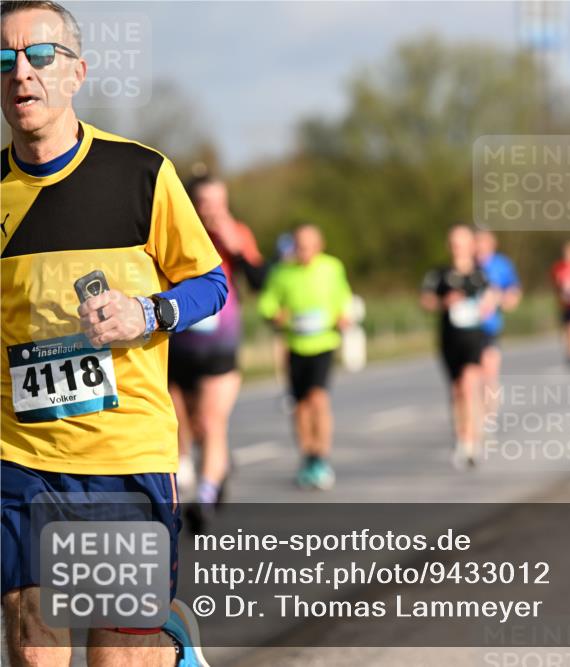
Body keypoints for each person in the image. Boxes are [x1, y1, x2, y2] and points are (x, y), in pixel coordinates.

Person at [1, 2, 224, 664]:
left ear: (77, 73)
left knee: (116, 653)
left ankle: (166, 634)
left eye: (41, 56)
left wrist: (148, 312)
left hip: (122, 455)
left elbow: (211, 283)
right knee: (34, 647)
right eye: (4, 59)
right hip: (19, 455)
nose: (21, 73)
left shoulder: (140, 173)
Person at [169, 176, 266, 533]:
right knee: (183, 423)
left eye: (218, 202)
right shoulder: (175, 230)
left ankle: (205, 499)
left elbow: (260, 280)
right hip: (179, 342)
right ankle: (216, 468)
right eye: (204, 202)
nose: (211, 209)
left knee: (211, 422)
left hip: (220, 342)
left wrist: (236, 247)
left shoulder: (237, 233)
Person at [258, 224, 353, 490]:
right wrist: (275, 314)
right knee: (300, 406)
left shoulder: (332, 267)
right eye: (299, 245)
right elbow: (267, 302)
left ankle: (321, 457)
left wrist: (343, 315)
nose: (304, 251)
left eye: (309, 245)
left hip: (323, 342)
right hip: (295, 344)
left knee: (318, 398)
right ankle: (307, 457)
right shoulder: (282, 272)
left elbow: (343, 298)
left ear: (319, 245)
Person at [421, 225, 496, 469]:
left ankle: (471, 440)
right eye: (453, 243)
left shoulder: (480, 275)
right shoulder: (439, 274)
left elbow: (493, 298)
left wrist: (488, 304)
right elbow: (426, 300)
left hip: (474, 338)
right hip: (449, 339)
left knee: (469, 384)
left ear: (471, 245)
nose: (457, 248)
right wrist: (444, 302)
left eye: (462, 243)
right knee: (457, 391)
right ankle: (461, 435)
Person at [474, 229, 521, 415]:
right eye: (476, 241)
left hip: (489, 327)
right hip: (466, 328)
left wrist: (498, 298)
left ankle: (489, 417)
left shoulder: (502, 265)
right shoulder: (466, 264)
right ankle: (472, 417)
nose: (479, 245)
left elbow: (513, 294)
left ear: (492, 243)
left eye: (483, 241)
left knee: (489, 372)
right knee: (470, 376)